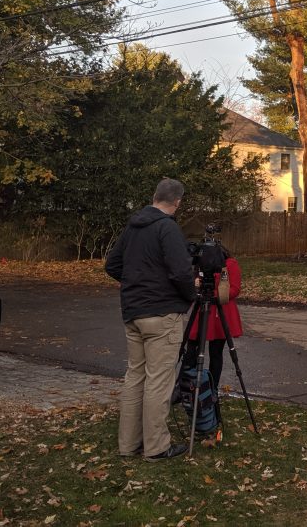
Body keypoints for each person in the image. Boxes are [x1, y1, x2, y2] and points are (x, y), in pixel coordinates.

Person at [105, 178, 195, 461]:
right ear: (177, 202)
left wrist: (137, 283)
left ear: (154, 196)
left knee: (135, 378)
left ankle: (128, 444)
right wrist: (189, 294)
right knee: (158, 381)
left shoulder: (134, 226)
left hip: (134, 312)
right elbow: (181, 272)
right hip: (161, 314)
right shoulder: (167, 228)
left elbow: (113, 264)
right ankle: (156, 447)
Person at [184, 253, 243, 392]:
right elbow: (194, 283)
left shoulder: (229, 264)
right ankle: (186, 385)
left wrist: (214, 294)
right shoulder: (201, 264)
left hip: (220, 311)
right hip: (203, 309)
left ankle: (211, 389)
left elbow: (234, 289)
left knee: (216, 352)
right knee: (191, 349)